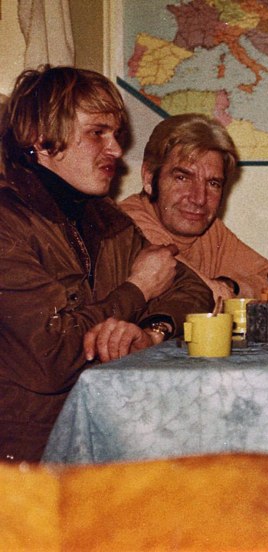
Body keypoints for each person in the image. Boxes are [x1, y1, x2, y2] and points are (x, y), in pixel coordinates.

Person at [0, 66, 213, 462]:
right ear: (40, 140)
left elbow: (191, 288)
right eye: (97, 132)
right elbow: (51, 354)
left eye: (115, 134)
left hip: (104, 439)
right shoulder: (8, 223)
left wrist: (151, 332)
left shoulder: (103, 215)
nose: (115, 149)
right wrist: (138, 290)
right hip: (28, 463)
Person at [120, 114, 268, 300]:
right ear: (149, 178)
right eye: (182, 178)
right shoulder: (127, 225)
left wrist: (230, 285)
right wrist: (224, 289)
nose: (199, 199)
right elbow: (199, 290)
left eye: (213, 183)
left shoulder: (209, 229)